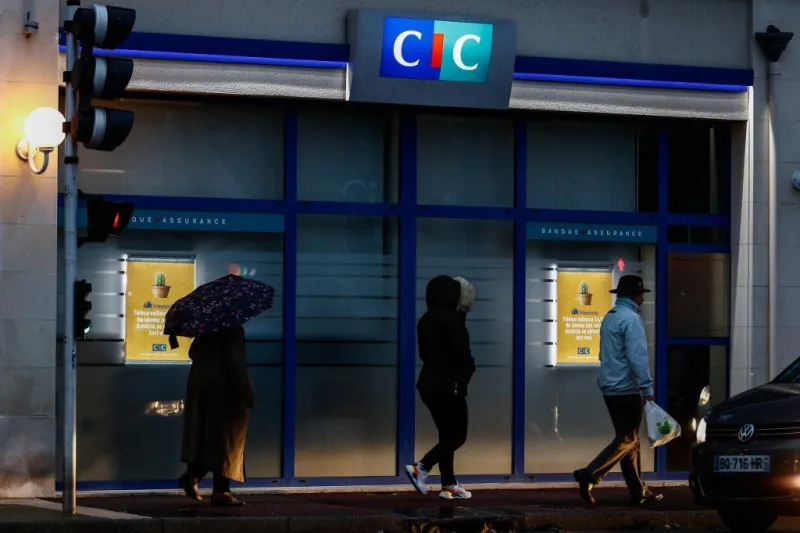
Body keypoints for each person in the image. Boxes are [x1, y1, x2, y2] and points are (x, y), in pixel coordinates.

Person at [573, 275, 663, 508]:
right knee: (627, 438)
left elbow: (603, 353)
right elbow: (637, 357)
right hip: (627, 389)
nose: (643, 298)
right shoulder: (631, 320)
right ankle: (590, 475)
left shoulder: (610, 317)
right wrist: (647, 388)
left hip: (609, 387)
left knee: (631, 442)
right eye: (641, 294)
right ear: (635, 295)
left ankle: (638, 491)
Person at [405, 275, 476, 500]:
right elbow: (461, 355)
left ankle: (449, 484)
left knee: (446, 436)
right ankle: (421, 468)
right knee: (457, 436)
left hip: (428, 383)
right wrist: (466, 373)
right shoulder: (452, 321)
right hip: (449, 385)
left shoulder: (426, 319)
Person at [179, 326, 256, 506]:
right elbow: (236, 362)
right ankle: (219, 490)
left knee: (209, 440)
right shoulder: (233, 330)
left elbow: (193, 353)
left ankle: (194, 476)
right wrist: (247, 392)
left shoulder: (205, 329)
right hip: (226, 392)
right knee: (227, 443)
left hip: (203, 390)